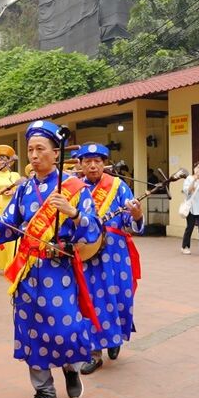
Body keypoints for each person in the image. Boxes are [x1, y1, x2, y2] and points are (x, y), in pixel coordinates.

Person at [0, 120, 101, 398]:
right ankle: (44, 390)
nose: (33, 155)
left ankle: (71, 367)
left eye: (40, 149)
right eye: (30, 149)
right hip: (28, 270)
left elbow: (93, 231)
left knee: (65, 326)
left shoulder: (74, 188)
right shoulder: (23, 189)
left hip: (60, 270)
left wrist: (73, 213)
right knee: (30, 328)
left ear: (56, 153)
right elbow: (9, 225)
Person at [77, 143, 144, 374]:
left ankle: (114, 338)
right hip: (86, 253)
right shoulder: (75, 189)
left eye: (97, 161)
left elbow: (129, 221)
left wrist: (136, 214)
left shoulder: (118, 186)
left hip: (115, 254)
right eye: (88, 161)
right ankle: (94, 353)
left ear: (105, 164)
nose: (93, 165)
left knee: (117, 296)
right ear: (81, 165)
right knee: (89, 300)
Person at [0, 145, 21, 274]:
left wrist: (13, 191)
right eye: (0, 159)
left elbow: (21, 189)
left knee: (13, 236)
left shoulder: (15, 175)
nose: (3, 161)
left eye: (5, 159)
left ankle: (11, 264)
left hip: (12, 207)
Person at [181, 161, 199, 257]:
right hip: (191, 208)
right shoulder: (189, 179)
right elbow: (187, 192)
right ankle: (185, 246)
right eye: (198, 167)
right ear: (194, 168)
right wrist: (194, 180)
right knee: (190, 228)